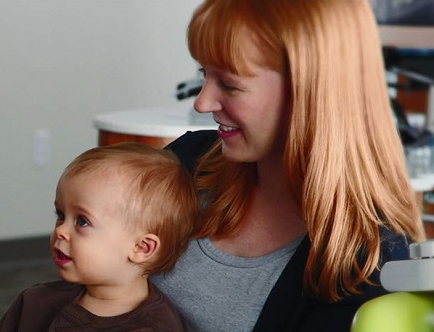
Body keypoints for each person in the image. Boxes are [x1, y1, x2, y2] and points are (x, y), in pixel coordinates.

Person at [149, 0, 426, 331]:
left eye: (230, 84)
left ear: (309, 91)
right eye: (203, 74)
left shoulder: (367, 261)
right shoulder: (185, 162)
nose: (203, 102)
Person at [0, 143, 196, 331]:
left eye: (82, 221)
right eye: (61, 215)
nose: (61, 231)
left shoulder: (156, 327)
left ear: (142, 248)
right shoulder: (35, 302)